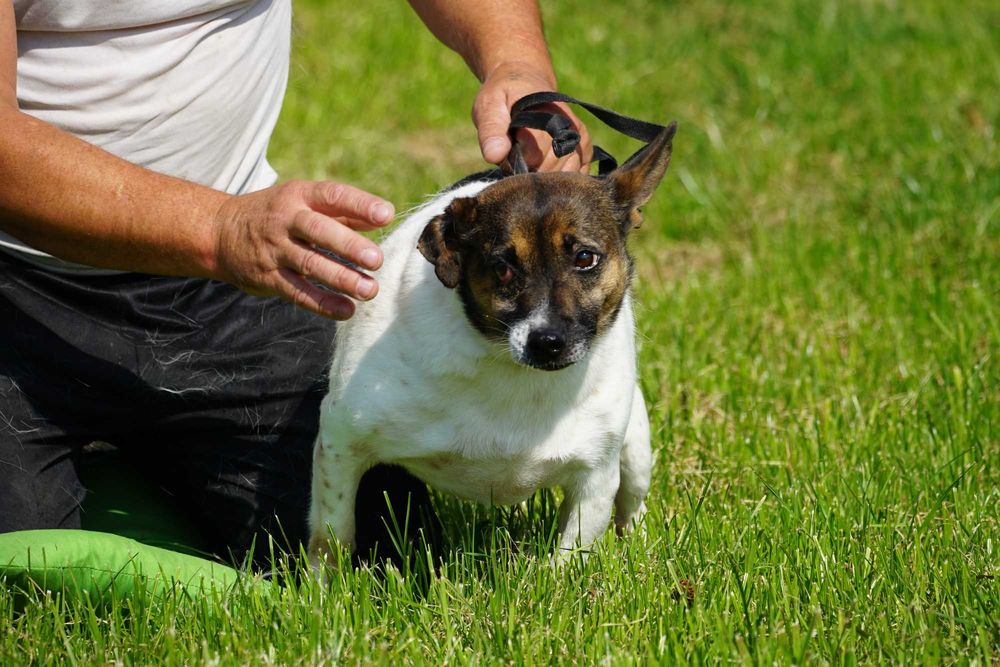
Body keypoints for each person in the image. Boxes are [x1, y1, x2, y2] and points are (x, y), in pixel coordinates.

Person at [0, 0, 591, 569]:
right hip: (18, 289)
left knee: (377, 556)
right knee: (22, 570)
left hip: (225, 291)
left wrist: (516, 62)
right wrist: (218, 228)